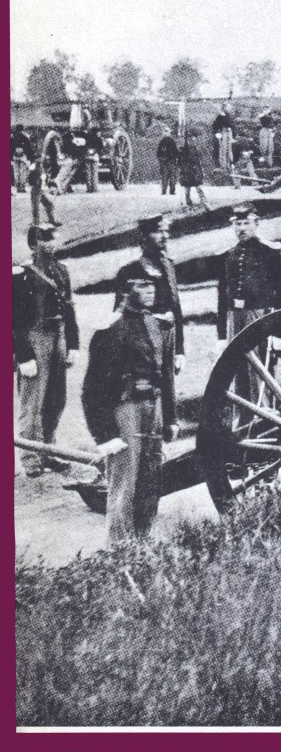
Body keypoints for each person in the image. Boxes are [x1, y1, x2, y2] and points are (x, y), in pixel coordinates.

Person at [83, 264, 177, 547]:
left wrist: (170, 419)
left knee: (151, 482)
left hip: (153, 409)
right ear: (125, 290)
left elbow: (165, 375)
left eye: (152, 285)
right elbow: (92, 389)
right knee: (124, 484)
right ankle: (119, 550)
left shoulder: (157, 325)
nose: (150, 291)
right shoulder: (111, 330)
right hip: (126, 411)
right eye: (142, 285)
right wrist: (105, 436)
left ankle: (143, 543)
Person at [13, 224, 79, 477]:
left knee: (56, 399)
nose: (51, 244)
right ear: (33, 245)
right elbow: (13, 319)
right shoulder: (21, 275)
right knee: (33, 402)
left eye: (52, 239)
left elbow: (69, 309)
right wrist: (23, 355)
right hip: (34, 338)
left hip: (58, 336)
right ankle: (31, 457)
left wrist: (73, 343)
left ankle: (49, 451)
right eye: (45, 240)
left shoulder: (61, 271)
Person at [216, 206, 281, 349]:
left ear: (256, 224)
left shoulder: (271, 251)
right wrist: (221, 335)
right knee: (235, 359)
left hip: (261, 316)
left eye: (246, 223)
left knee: (260, 358)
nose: (242, 228)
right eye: (238, 224)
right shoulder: (228, 254)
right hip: (234, 318)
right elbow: (222, 294)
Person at [114, 215, 185, 372]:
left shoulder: (169, 267)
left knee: (168, 386)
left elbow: (176, 308)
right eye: (159, 232)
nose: (165, 236)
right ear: (145, 236)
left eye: (166, 231)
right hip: (144, 342)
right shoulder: (129, 271)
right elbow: (120, 316)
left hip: (169, 338)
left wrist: (180, 351)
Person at [179, 134, 209, 209]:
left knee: (193, 185)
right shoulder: (185, 150)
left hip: (191, 169)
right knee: (191, 186)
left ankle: (201, 199)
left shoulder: (190, 149)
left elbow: (198, 159)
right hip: (189, 170)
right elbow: (181, 161)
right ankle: (196, 200)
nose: (192, 140)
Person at [28, 159, 59, 226]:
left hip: (42, 190)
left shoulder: (44, 169)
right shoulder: (34, 169)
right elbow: (31, 180)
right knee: (36, 207)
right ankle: (35, 222)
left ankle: (52, 220)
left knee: (49, 204)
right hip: (36, 190)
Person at [212, 102, 235, 170]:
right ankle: (223, 165)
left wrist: (231, 132)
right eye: (228, 107)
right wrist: (217, 133)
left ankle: (229, 164)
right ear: (224, 107)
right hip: (223, 133)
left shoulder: (229, 115)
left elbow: (231, 125)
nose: (229, 108)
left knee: (229, 149)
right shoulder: (220, 116)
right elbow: (215, 126)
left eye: (229, 107)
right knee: (223, 149)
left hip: (229, 133)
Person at [11, 123, 34, 192]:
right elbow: (29, 149)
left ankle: (19, 187)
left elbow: (10, 148)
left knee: (17, 172)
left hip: (16, 156)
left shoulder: (13, 137)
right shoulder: (24, 137)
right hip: (22, 156)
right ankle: (21, 187)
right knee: (22, 172)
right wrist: (30, 159)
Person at [156, 126, 179, 195]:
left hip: (167, 161)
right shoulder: (170, 141)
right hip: (169, 161)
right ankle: (170, 191)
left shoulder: (163, 141)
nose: (166, 133)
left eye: (167, 132)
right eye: (165, 131)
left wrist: (160, 158)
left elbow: (159, 152)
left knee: (167, 176)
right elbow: (175, 151)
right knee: (169, 176)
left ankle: (166, 191)